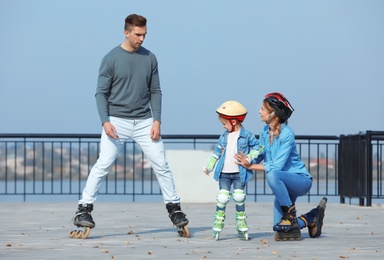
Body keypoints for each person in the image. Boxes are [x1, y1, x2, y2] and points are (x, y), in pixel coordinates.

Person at [70, 14, 188, 237]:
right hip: (116, 121)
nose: (141, 38)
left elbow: (156, 91)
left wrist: (157, 120)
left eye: (144, 34)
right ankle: (83, 209)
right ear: (126, 32)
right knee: (103, 163)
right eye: (137, 34)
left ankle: (175, 209)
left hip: (145, 122)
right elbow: (100, 93)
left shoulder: (150, 58)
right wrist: (105, 121)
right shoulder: (111, 58)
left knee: (161, 164)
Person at [234, 92, 327, 241]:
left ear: (273, 114)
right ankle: (310, 218)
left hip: (300, 180)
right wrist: (246, 158)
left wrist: (251, 166)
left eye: (262, 109)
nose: (259, 111)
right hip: (281, 180)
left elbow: (276, 165)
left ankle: (290, 214)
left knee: (273, 174)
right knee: (281, 230)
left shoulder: (287, 134)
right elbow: (260, 153)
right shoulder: (264, 131)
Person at [203, 100, 264, 241]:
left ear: (234, 121)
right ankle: (218, 223)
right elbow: (216, 153)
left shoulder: (247, 135)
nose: (223, 126)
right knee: (222, 198)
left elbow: (259, 147)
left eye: (224, 123)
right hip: (224, 173)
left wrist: (249, 157)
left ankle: (241, 223)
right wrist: (209, 166)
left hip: (239, 173)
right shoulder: (224, 136)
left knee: (239, 197)